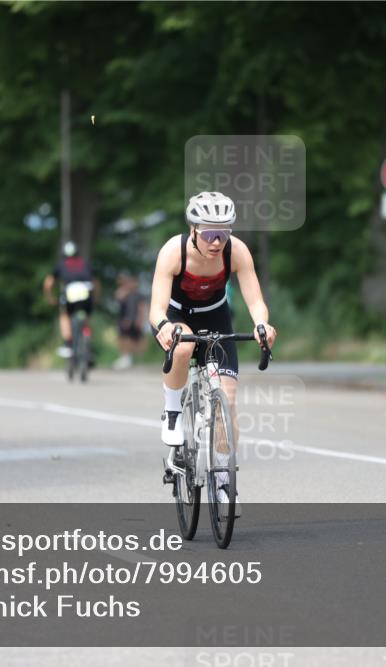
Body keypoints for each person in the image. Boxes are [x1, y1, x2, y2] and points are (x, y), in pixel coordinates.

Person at [149, 191, 277, 514]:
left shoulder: (236, 252)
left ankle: (222, 479)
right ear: (193, 229)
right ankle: (173, 410)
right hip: (177, 317)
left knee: (227, 399)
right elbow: (155, 309)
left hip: (216, 317)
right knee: (185, 345)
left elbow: (255, 301)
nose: (216, 241)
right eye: (209, 233)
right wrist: (165, 325)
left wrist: (262, 325)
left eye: (223, 233)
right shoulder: (173, 252)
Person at [43, 241, 98, 360]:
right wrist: (96, 298)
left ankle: (68, 344)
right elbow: (96, 283)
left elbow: (48, 283)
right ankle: (88, 343)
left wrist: (50, 298)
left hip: (71, 293)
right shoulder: (85, 263)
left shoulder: (61, 264)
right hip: (86, 292)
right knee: (86, 317)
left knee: (64, 315)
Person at [114, 272, 146, 370]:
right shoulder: (124, 293)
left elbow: (141, 308)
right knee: (123, 338)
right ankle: (125, 357)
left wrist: (140, 320)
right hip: (123, 319)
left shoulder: (138, 295)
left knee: (132, 339)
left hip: (132, 319)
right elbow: (118, 296)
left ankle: (129, 358)